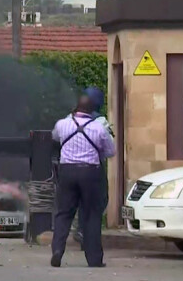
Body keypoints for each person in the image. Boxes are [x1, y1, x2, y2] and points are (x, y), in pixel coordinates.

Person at [51, 93, 116, 268]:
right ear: (92, 110)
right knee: (91, 215)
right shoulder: (99, 128)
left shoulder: (62, 124)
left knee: (63, 213)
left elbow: (55, 137)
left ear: (76, 107)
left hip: (67, 172)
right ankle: (94, 259)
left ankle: (57, 250)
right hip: (90, 173)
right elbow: (111, 152)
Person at [73, 87, 114, 247]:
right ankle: (87, 235)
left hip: (69, 166)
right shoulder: (100, 122)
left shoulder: (69, 119)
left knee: (79, 202)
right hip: (93, 167)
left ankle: (80, 231)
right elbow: (110, 148)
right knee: (98, 201)